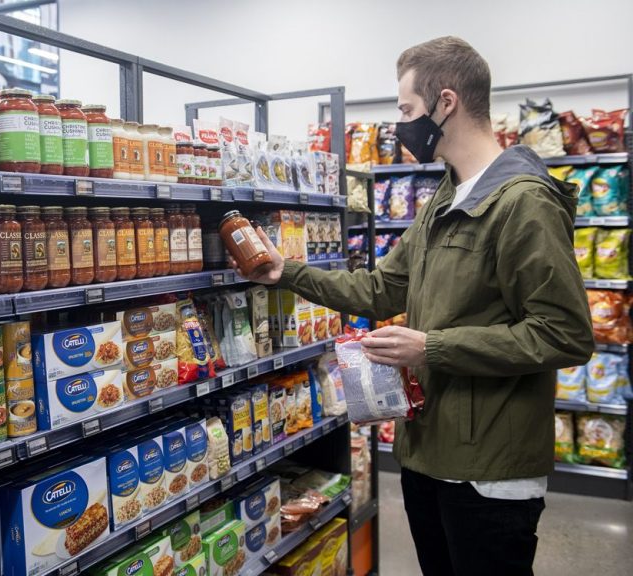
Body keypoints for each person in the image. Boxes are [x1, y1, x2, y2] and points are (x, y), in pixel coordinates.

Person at [235, 36, 594, 576]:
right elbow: (382, 290)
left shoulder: (523, 202)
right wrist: (288, 273)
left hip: (489, 470)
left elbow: (564, 333)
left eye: (406, 110)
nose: (401, 125)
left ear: (445, 102)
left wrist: (431, 346)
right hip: (428, 451)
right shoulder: (446, 198)